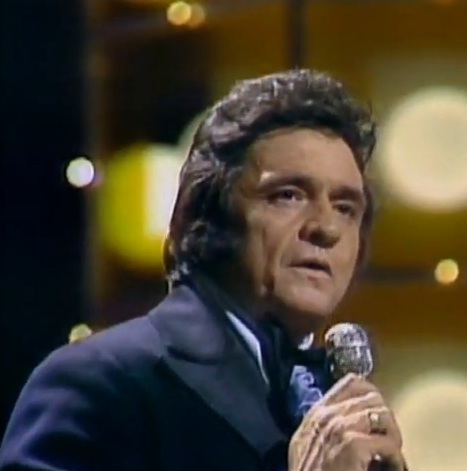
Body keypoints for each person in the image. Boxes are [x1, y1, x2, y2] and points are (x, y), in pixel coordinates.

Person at [0, 69, 405, 471]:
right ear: (211, 216)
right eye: (288, 195)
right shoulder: (99, 381)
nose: (326, 228)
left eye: (346, 208)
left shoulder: (343, 410)